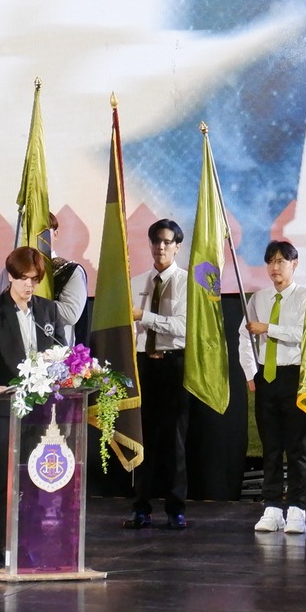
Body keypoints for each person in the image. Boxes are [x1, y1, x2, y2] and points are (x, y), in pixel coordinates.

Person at [0, 247, 67, 565]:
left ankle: (30, 538)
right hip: (5, 407)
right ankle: (0, 542)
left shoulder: (48, 310)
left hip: (40, 407)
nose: (29, 285)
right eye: (24, 278)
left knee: (34, 476)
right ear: (11, 276)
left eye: (34, 279)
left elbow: (61, 349)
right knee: (4, 477)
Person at [243, 241, 306, 534]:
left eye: (281, 261)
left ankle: (297, 508)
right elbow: (244, 336)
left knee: (296, 447)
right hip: (266, 377)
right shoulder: (259, 298)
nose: (275, 267)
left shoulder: (305, 297)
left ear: (294, 264)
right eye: (270, 261)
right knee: (270, 446)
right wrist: (250, 373)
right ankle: (271, 506)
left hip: (294, 376)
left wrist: (269, 328)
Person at [128, 218, 189, 530]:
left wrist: (145, 316)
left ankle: (175, 508)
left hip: (174, 363)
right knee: (143, 438)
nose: (160, 247)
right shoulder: (137, 281)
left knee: (175, 440)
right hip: (143, 364)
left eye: (167, 242)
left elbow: (184, 327)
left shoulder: (187, 282)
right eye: (156, 242)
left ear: (177, 246)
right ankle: (141, 507)